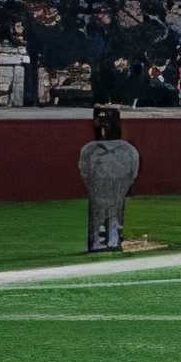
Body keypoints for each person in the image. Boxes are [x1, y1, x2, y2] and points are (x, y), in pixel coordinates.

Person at [77, 106, 142, 256]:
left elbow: (84, 171)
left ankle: (103, 239)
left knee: (105, 209)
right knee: (112, 209)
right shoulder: (127, 150)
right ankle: (110, 238)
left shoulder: (90, 150)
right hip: (111, 187)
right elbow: (133, 172)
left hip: (105, 187)